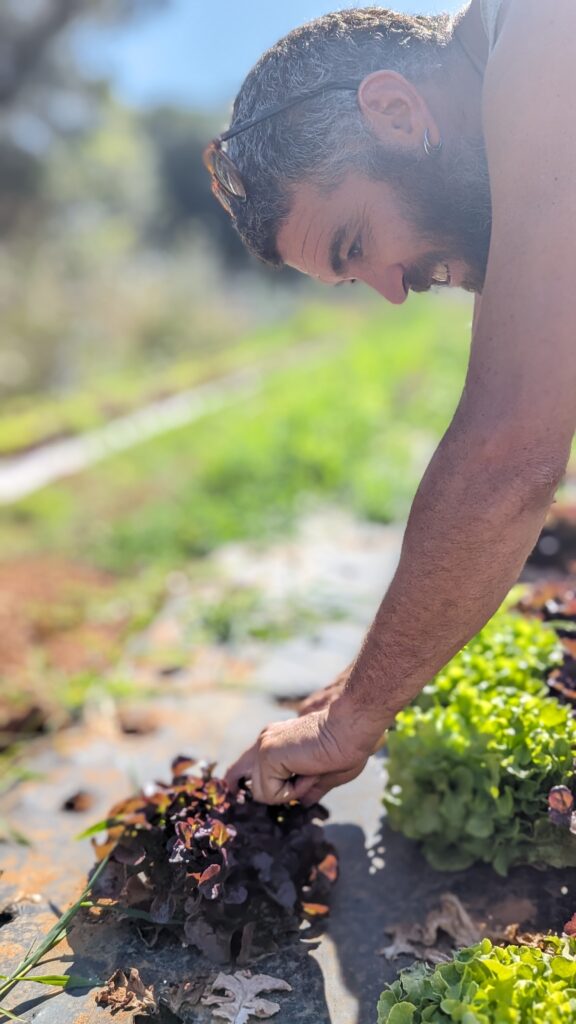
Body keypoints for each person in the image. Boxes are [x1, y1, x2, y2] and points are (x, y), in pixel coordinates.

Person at [203, 0, 576, 806]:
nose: (394, 293)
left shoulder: (548, 33)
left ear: (397, 112)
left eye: (357, 246)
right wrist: (356, 681)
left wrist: (354, 714)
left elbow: (510, 450)